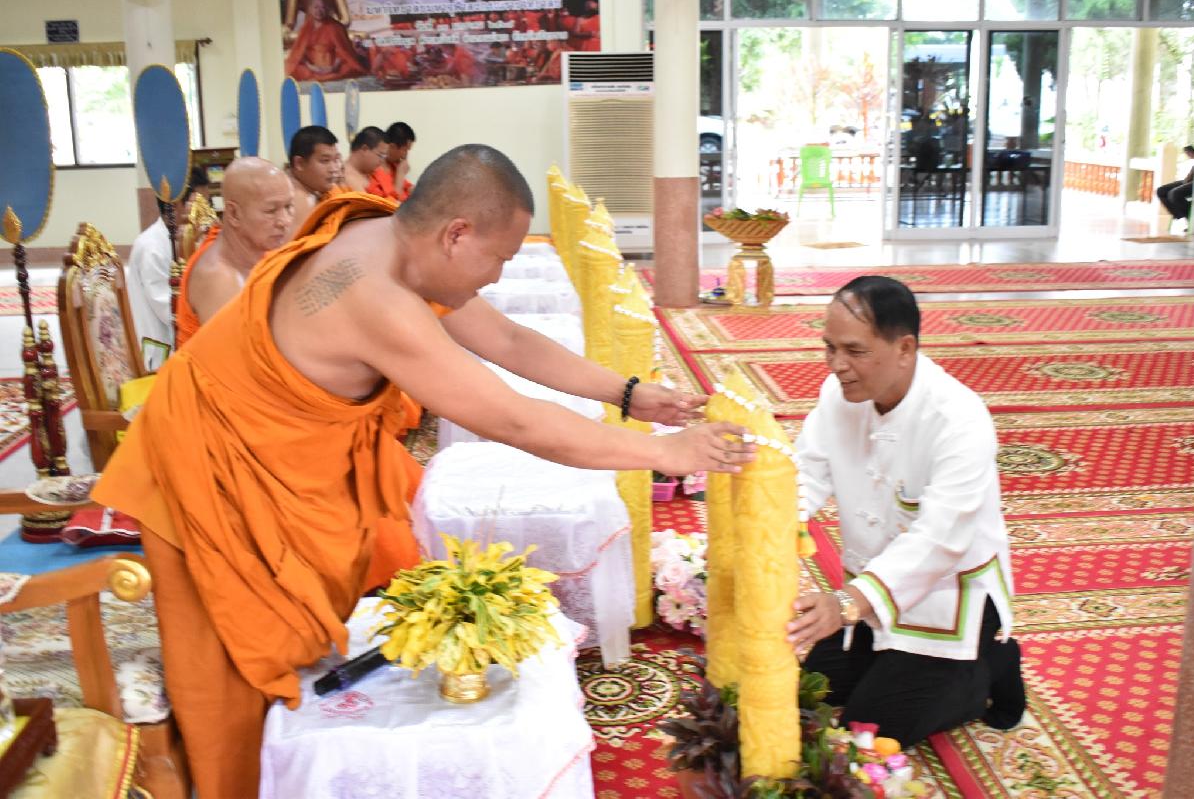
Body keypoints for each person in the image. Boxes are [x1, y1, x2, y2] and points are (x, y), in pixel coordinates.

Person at [92, 144, 755, 798]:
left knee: (312, 628)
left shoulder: (392, 235)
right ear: (456, 234)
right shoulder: (375, 297)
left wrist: (626, 394)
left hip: (271, 457)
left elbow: (506, 339)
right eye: (498, 258)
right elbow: (515, 421)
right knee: (233, 680)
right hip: (206, 470)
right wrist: (666, 453)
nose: (496, 277)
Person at [785, 275, 1025, 749]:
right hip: (872, 590)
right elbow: (805, 475)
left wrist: (846, 604)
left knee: (866, 731)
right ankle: (897, 661)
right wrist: (765, 528)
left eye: (854, 351)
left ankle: (987, 667)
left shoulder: (959, 419)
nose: (837, 365)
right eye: (829, 348)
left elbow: (939, 541)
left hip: (947, 600)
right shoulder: (839, 394)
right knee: (809, 696)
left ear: (905, 348)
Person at [174, 158, 295, 349]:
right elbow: (241, 358)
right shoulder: (218, 277)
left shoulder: (261, 250)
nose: (285, 221)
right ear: (234, 214)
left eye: (288, 207)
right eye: (271, 211)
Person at [125, 165, 210, 369]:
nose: (206, 215)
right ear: (176, 204)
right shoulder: (152, 248)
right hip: (159, 353)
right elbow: (170, 311)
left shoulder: (185, 239)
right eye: (200, 206)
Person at [284, 0, 367, 82]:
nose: (319, 11)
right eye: (316, 7)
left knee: (348, 68)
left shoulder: (335, 27)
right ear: (310, 9)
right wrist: (311, 66)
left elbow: (343, 51)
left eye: (322, 8)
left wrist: (333, 67)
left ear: (327, 9)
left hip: (333, 66)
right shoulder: (305, 28)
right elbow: (299, 51)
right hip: (312, 67)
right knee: (295, 68)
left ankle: (328, 74)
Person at [287, 125, 342, 237]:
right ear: (299, 163)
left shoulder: (314, 188)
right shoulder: (297, 199)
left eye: (336, 159)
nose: (334, 169)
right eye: (325, 160)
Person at [366, 120, 416, 203]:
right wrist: (400, 174)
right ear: (392, 146)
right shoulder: (373, 170)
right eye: (405, 150)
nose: (405, 155)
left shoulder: (394, 166)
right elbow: (392, 204)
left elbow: (410, 189)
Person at [1156, 144, 1194, 228]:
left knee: (1174, 194)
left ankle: (1191, 218)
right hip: (1188, 180)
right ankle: (1178, 214)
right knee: (1160, 191)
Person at [342, 125, 387, 192]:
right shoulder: (347, 177)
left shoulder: (374, 172)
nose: (382, 161)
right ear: (365, 149)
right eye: (380, 156)